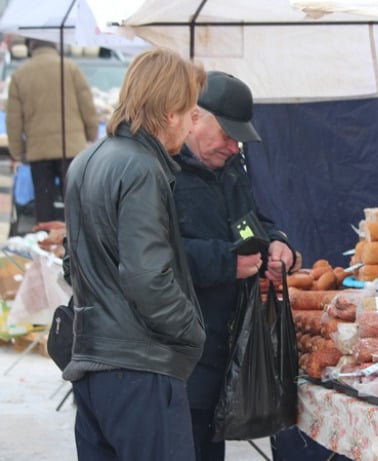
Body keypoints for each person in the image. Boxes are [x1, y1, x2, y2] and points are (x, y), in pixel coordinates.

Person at [62, 48, 207, 461]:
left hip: (94, 365)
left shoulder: (86, 160)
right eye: (190, 111)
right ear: (167, 112)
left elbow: (73, 265)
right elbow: (148, 278)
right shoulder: (141, 167)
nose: (192, 120)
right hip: (138, 370)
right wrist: (193, 333)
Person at [172, 70, 296, 461]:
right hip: (178, 359)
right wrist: (226, 262)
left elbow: (249, 222)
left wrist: (277, 244)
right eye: (226, 134)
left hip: (222, 357)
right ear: (194, 117)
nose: (232, 145)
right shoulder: (162, 172)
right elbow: (155, 254)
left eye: (238, 138)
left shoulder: (231, 169)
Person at [5, 38, 98, 223]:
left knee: (43, 202)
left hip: (38, 151)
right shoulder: (71, 68)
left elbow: (13, 120)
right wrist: (91, 135)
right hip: (71, 149)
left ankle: (45, 242)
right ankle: (74, 244)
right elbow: (88, 107)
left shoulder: (20, 74)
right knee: (74, 203)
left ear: (31, 46)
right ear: (54, 45)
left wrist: (17, 151)